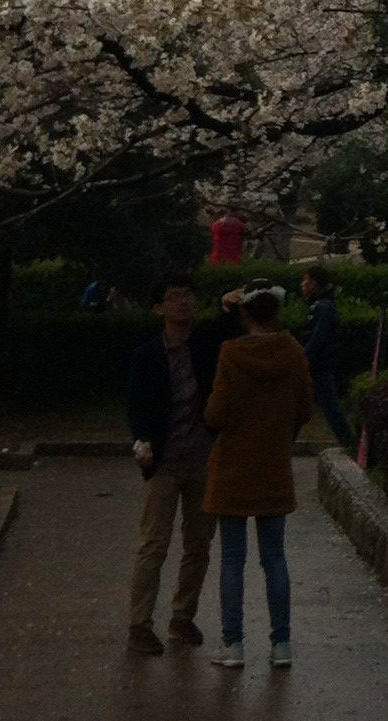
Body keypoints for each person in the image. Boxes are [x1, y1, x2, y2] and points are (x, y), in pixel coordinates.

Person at [123, 272, 239, 654]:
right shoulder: (147, 355)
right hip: (164, 461)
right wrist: (141, 441)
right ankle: (139, 623)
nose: (184, 302)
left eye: (188, 295)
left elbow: (229, 330)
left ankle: (182, 616)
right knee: (153, 544)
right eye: (174, 297)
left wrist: (228, 304)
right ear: (159, 308)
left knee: (199, 543)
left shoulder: (204, 343)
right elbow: (136, 406)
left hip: (203, 459)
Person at [202, 286, 312, 669]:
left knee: (233, 559)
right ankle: (281, 644)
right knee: (275, 558)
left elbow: (216, 413)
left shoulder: (231, 354)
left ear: (245, 315)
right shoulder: (294, 353)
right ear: (278, 312)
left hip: (232, 465)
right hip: (274, 465)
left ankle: (233, 645)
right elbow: (305, 407)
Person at [298, 267, 354, 449]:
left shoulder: (323, 307)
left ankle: (348, 442)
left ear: (313, 284)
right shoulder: (320, 305)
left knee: (329, 404)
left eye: (305, 281)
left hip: (319, 364)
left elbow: (318, 337)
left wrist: (304, 356)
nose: (302, 285)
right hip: (317, 363)